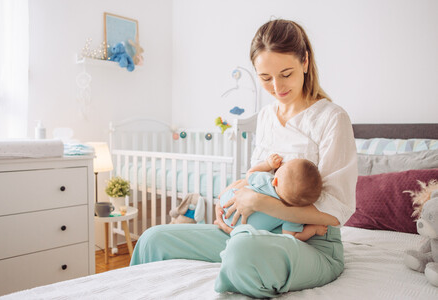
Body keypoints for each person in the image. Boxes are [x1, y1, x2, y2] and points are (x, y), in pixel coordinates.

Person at [130, 19, 357, 298]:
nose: (277, 86)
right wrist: (229, 197)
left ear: (305, 62)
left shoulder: (331, 118)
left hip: (310, 244)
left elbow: (336, 211)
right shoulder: (265, 118)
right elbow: (258, 177)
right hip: (248, 229)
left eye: (286, 73)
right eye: (265, 78)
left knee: (243, 251)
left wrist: (260, 202)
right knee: (154, 239)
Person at [219, 153, 328, 241]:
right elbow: (292, 237)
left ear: (275, 180)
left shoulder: (265, 180)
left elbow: (250, 173)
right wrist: (313, 230)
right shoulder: (293, 215)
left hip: (226, 206)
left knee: (239, 182)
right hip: (244, 231)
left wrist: (268, 165)